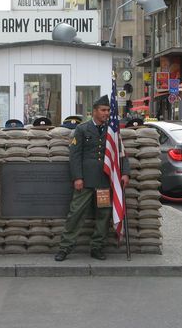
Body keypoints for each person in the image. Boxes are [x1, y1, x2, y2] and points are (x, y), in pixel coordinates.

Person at [55, 95, 130, 262]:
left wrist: (125, 172)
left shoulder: (112, 130)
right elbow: (75, 156)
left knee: (103, 216)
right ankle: (65, 247)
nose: (106, 113)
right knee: (75, 214)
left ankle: (97, 247)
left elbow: (121, 153)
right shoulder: (82, 129)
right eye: (103, 110)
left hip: (104, 181)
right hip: (85, 181)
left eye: (108, 110)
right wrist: (77, 177)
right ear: (94, 111)